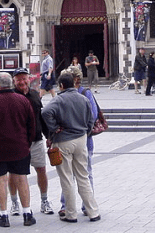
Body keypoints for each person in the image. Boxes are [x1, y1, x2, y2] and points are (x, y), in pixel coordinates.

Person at [0, 72, 37, 227]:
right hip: (20, 148)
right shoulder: (22, 100)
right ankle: (27, 213)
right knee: (21, 179)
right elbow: (31, 124)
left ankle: (3, 216)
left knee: (1, 180)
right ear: (11, 84)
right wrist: (27, 142)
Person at [42, 71, 101, 223]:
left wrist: (54, 128)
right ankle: (93, 211)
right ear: (74, 83)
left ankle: (70, 213)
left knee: (67, 178)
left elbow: (46, 112)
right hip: (81, 139)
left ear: (61, 85)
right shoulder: (83, 98)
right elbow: (90, 118)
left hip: (64, 141)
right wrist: (86, 131)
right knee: (83, 176)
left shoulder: (59, 99)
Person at [9, 67, 54, 216]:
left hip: (36, 140)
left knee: (41, 169)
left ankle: (44, 200)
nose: (22, 81)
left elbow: (40, 117)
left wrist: (48, 135)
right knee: (14, 174)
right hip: (17, 143)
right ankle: (14, 203)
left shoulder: (35, 95)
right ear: (14, 81)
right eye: (18, 79)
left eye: (24, 78)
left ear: (29, 79)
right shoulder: (10, 96)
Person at [56, 65, 98, 218]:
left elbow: (92, 116)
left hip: (83, 141)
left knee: (85, 173)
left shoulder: (86, 93)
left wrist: (80, 131)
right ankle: (65, 205)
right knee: (68, 174)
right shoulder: (62, 94)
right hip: (73, 140)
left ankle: (87, 206)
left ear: (75, 80)